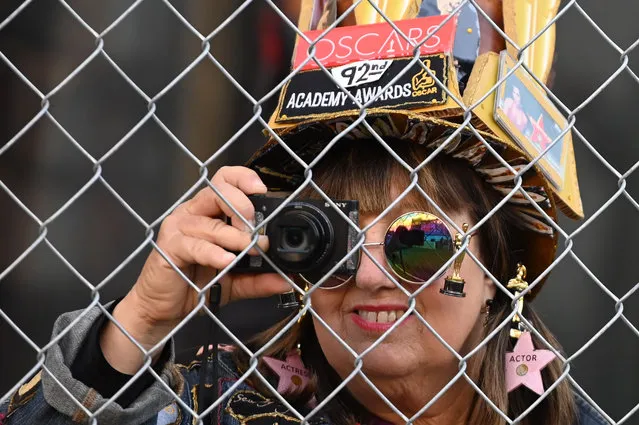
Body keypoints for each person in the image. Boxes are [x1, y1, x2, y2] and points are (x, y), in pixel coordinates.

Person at [0, 2, 609, 425]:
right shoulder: (218, 404)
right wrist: (139, 322)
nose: (370, 277)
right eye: (336, 241)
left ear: (497, 271)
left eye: (417, 240)